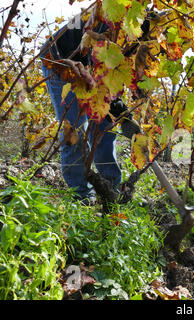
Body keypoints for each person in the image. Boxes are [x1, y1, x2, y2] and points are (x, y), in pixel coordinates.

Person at [40, 10, 140, 204]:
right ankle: (81, 196)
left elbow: (110, 77)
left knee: (104, 128)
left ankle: (110, 190)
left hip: (88, 67)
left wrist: (122, 114)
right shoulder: (116, 21)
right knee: (74, 131)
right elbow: (100, 72)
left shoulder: (142, 33)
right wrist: (122, 113)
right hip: (60, 60)